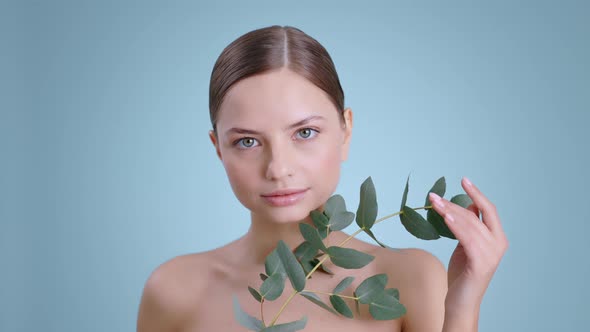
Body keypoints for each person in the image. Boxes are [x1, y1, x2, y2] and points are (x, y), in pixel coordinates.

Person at [136, 25, 508, 331]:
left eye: (305, 133)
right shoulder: (173, 290)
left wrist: (463, 306)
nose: (278, 168)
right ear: (218, 148)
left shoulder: (412, 279)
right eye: (247, 141)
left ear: (345, 130)